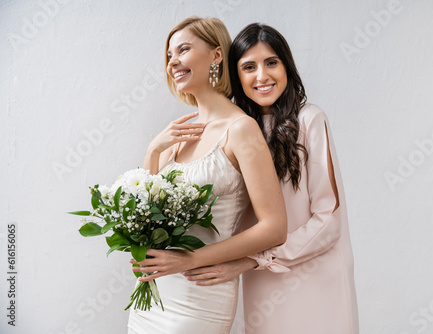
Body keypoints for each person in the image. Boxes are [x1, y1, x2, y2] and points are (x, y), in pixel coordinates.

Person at [183, 23, 359, 334]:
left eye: (271, 63)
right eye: (249, 67)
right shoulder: (237, 129)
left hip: (315, 277)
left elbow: (328, 220)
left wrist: (254, 259)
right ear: (235, 76)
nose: (262, 76)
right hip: (259, 280)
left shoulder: (309, 120)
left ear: (287, 66)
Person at [126, 17, 287, 334]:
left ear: (216, 55)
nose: (173, 62)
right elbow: (144, 217)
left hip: (196, 297)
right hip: (152, 297)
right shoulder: (179, 133)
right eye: (169, 56)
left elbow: (274, 227)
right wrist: (153, 151)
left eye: (183, 50)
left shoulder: (241, 129)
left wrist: (189, 260)